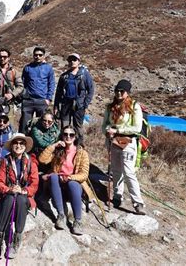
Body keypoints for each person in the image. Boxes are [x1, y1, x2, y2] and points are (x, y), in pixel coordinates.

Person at [102, 79, 146, 215]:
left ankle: (137, 202)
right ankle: (117, 196)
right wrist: (107, 130)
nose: (119, 93)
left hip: (129, 142)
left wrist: (117, 129)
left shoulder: (134, 106)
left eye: (122, 91)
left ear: (127, 92)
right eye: (117, 91)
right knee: (115, 170)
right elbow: (104, 125)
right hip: (113, 142)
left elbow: (137, 127)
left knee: (128, 172)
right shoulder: (110, 107)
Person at [0, 133, 39, 260]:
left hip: (23, 195)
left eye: (21, 143)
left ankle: (16, 239)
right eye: (16, 143)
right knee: (10, 199)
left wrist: (24, 190)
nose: (18, 146)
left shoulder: (31, 162)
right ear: (12, 145)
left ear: (25, 146)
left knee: (21, 199)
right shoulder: (6, 161)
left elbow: (34, 184)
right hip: (9, 193)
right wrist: (8, 189)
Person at [38, 126, 91, 235]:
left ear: (75, 137)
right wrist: (53, 146)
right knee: (53, 176)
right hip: (57, 185)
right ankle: (61, 215)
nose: (68, 137)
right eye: (65, 134)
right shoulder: (58, 151)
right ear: (62, 136)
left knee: (73, 184)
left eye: (71, 134)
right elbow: (42, 160)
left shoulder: (82, 153)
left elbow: (84, 175)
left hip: (72, 184)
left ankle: (77, 221)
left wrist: (69, 177)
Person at [54, 53, 94, 146]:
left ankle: (79, 146)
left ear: (79, 61)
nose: (72, 62)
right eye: (70, 60)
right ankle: (63, 147)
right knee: (64, 126)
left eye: (74, 60)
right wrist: (56, 105)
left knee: (78, 127)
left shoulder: (84, 75)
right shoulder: (64, 76)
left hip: (79, 105)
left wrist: (85, 104)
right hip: (66, 104)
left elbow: (91, 90)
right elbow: (58, 92)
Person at [19, 47, 55, 133]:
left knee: (43, 125)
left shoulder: (48, 68)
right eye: (36, 55)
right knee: (24, 125)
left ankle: (40, 145)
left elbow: (51, 84)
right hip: (28, 100)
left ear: (44, 56)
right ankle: (23, 144)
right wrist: (23, 97)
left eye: (40, 55)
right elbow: (23, 83)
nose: (38, 57)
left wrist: (48, 99)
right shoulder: (27, 68)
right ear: (33, 56)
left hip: (42, 100)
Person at [0, 48, 24, 126]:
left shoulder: (14, 71)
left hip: (9, 103)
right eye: (0, 56)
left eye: (5, 57)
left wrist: (12, 95)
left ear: (8, 58)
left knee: (9, 124)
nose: (2, 58)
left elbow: (20, 86)